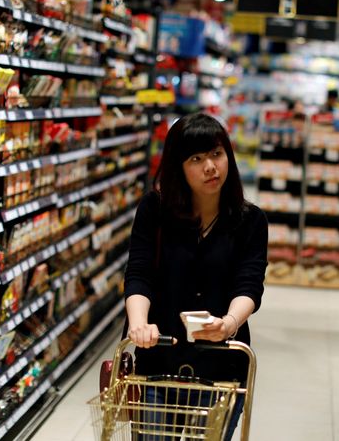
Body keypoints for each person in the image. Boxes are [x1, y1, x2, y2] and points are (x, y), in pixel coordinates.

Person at [124, 112, 268, 441]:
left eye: (216, 154)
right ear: (178, 166)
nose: (210, 167)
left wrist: (230, 323)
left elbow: (249, 283)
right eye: (196, 158)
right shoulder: (154, 211)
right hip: (159, 361)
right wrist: (138, 323)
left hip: (223, 365)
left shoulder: (250, 221)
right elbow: (139, 273)